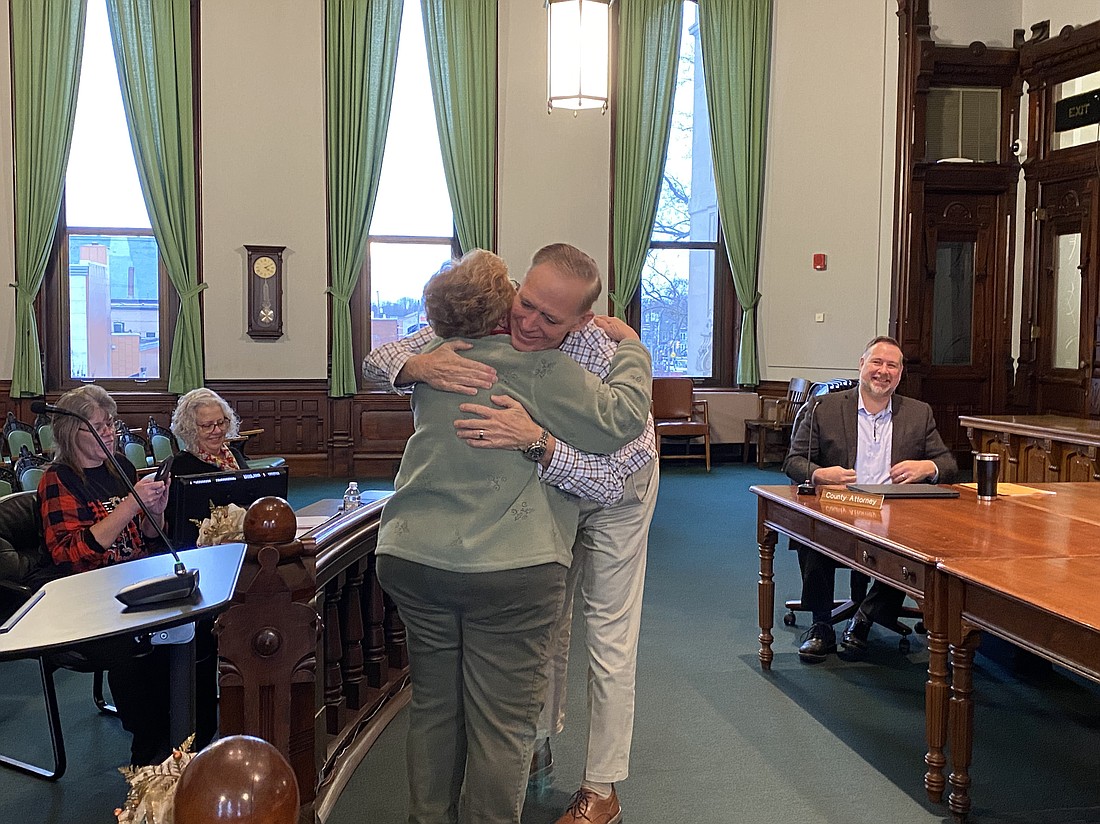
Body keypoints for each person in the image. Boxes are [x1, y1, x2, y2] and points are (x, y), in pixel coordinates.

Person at [365, 243, 659, 824]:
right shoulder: (502, 359)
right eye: (523, 304)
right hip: (508, 565)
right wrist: (415, 366)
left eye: (549, 319)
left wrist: (537, 441)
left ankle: (583, 783)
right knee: (502, 726)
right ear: (510, 292)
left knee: (434, 708)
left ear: (582, 320)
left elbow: (617, 467)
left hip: (416, 552)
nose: (528, 322)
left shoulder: (566, 349)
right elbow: (620, 412)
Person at [782, 336, 957, 663]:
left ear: (900, 373)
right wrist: (820, 474)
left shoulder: (919, 413)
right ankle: (821, 624)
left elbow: (948, 465)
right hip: (839, 506)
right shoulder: (823, 407)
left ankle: (864, 618)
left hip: (895, 512)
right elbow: (793, 461)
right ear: (862, 365)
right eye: (877, 362)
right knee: (811, 533)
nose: (883, 371)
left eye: (892, 365)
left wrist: (927, 466)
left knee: (915, 547)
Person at [38, 385, 175, 765]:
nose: (111, 432)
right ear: (72, 433)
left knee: (187, 629)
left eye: (111, 423)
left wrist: (156, 512)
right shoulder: (58, 480)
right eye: (99, 425)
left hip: (134, 583)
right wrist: (132, 504)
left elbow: (148, 539)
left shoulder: (122, 468)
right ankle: (150, 753)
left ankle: (181, 732)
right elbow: (71, 556)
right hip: (87, 597)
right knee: (138, 645)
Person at [169, 387, 246, 477]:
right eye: (207, 426)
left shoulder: (234, 454)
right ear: (190, 429)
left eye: (221, 423)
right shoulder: (181, 465)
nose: (217, 430)